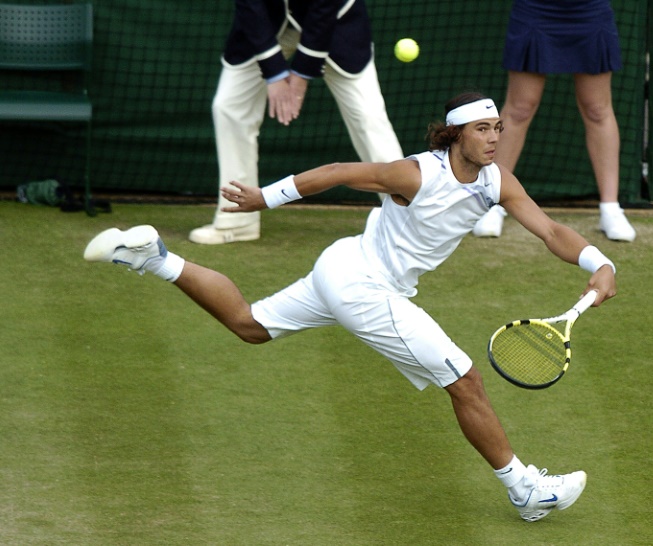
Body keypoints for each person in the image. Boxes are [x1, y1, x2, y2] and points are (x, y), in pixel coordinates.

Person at [84, 93, 617, 522]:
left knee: (251, 325)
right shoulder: (415, 175)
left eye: (498, 127)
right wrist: (263, 198)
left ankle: (152, 258)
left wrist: (596, 261)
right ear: (456, 135)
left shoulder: (496, 182)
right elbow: (339, 169)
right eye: (483, 129)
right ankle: (524, 490)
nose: (494, 137)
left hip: (339, 267)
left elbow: (549, 229)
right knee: (465, 380)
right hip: (365, 286)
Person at [189, 0, 403, 245]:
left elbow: (324, 7)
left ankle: (408, 220)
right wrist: (274, 72)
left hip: (334, 22)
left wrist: (301, 74)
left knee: (369, 117)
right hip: (266, 26)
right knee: (228, 107)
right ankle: (237, 223)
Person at [473, 0, 636, 242]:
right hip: (535, 9)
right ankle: (493, 202)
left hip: (589, 10)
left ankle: (610, 209)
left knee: (597, 109)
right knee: (520, 108)